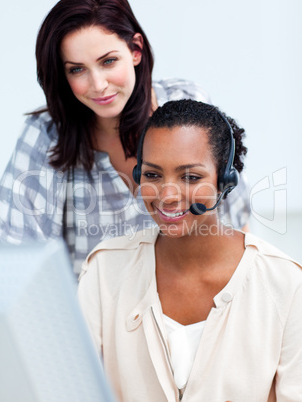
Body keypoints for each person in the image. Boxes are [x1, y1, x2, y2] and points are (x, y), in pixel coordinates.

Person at [0, 0, 250, 274]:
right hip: (92, 312)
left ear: (136, 50)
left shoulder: (186, 104)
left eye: (108, 61)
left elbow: (234, 221)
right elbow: (17, 256)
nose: (98, 85)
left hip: (188, 306)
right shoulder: (45, 135)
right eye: (77, 69)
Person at [78, 100, 302, 402]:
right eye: (153, 175)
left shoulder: (286, 284)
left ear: (225, 181)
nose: (167, 196)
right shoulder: (104, 270)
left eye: (191, 177)